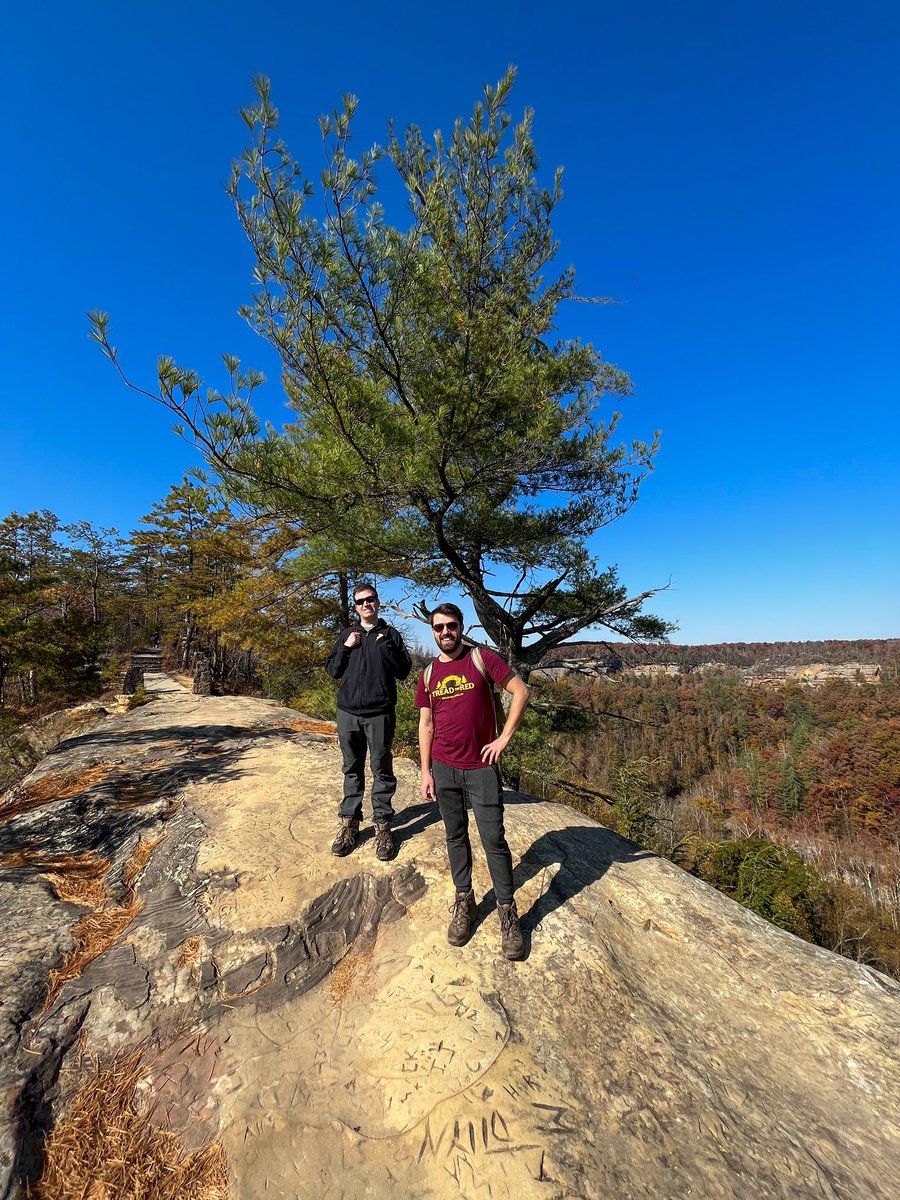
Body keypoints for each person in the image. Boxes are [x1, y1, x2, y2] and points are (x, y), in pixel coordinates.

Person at [416, 602, 531, 959]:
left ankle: (508, 912)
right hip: (444, 766)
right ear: (432, 632)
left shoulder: (483, 659)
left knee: (493, 840)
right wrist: (425, 771)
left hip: (480, 767)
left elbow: (521, 691)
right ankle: (465, 901)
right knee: (455, 835)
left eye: (451, 625)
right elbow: (426, 724)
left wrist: (504, 738)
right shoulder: (429, 674)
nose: (445, 632)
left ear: (461, 626)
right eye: (438, 628)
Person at [325, 583, 412, 861]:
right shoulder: (347, 634)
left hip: (380, 713)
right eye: (360, 601)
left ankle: (383, 826)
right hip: (348, 712)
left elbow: (403, 671)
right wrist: (346, 648)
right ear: (356, 606)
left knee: (381, 769)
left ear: (378, 602)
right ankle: (349, 824)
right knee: (351, 767)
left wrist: (385, 647)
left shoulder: (390, 635)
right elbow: (333, 670)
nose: (366, 604)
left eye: (370, 599)